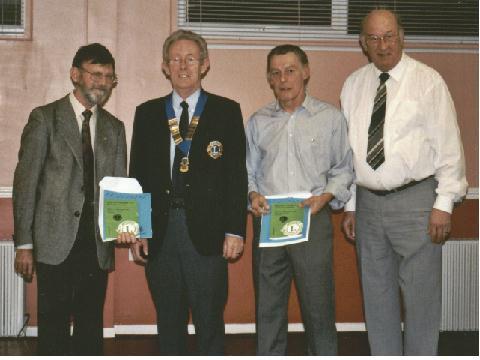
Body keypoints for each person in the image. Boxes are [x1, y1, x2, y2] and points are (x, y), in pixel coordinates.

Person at [340, 9, 468, 356]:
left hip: (417, 202)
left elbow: (449, 147)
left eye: (389, 36)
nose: (383, 45)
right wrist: (351, 205)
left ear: (402, 36)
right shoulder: (353, 85)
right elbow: (350, 153)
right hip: (368, 205)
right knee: (376, 297)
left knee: (420, 299)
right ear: (363, 43)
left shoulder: (427, 81)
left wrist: (443, 205)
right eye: (374, 38)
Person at [129, 29, 247, 355]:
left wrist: (235, 229)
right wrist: (138, 228)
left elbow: (237, 176)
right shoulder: (148, 113)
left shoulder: (226, 111)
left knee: (209, 320)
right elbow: (136, 176)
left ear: (205, 64)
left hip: (207, 231)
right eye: (175, 59)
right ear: (165, 67)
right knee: (168, 320)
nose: (183, 65)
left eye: (190, 59)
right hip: (161, 230)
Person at [13, 43, 129, 355]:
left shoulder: (115, 129)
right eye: (95, 74)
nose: (102, 83)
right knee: (53, 324)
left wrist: (127, 223)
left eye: (108, 77)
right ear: (75, 74)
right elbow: (25, 185)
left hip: (96, 244)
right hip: (54, 241)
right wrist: (24, 244)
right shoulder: (44, 119)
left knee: (91, 324)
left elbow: (119, 186)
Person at [246, 44, 353, 355]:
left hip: (312, 218)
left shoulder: (330, 118)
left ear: (306, 72)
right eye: (276, 73)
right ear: (269, 79)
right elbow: (248, 173)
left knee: (318, 308)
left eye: (290, 70)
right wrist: (252, 194)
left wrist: (326, 196)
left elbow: (344, 168)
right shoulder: (257, 121)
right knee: (267, 309)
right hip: (269, 223)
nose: (283, 79)